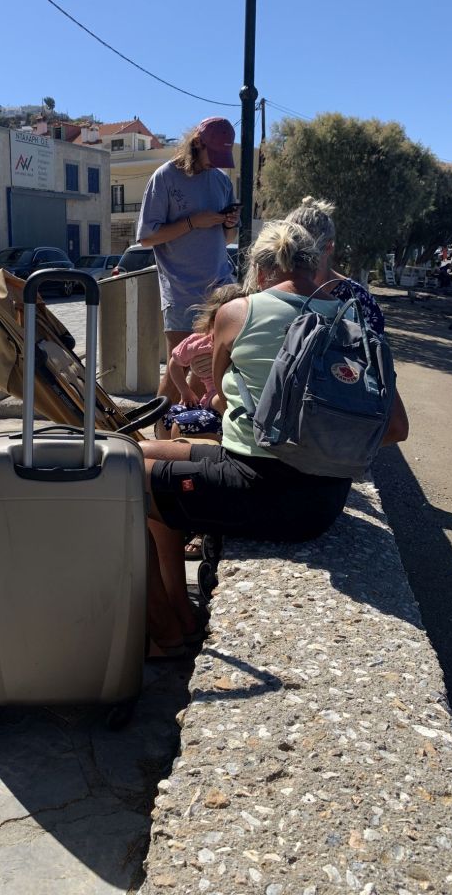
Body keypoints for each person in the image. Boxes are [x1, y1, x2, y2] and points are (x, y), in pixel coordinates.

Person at [139, 220, 410, 657]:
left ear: (259, 270)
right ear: (315, 264)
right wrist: (320, 443)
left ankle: (163, 630)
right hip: (323, 499)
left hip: (261, 488)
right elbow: (396, 428)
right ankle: (179, 612)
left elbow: (220, 400)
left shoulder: (236, 313)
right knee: (135, 454)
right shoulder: (353, 320)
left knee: (120, 478)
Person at [136, 117, 241, 434]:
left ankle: (185, 433)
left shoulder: (221, 182)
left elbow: (227, 239)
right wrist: (193, 222)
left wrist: (229, 224)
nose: (215, 164)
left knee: (209, 370)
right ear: (197, 144)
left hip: (219, 292)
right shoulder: (164, 178)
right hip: (181, 292)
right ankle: (154, 438)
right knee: (177, 370)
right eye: (213, 156)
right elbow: (146, 237)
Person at [285, 196, 385, 333]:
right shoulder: (273, 289)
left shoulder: (359, 302)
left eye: (308, 256)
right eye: (288, 253)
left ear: (329, 247)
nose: (296, 265)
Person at [161, 283, 243, 441]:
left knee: (221, 398)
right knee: (167, 414)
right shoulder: (200, 342)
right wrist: (185, 391)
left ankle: (239, 431)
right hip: (213, 396)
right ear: (213, 320)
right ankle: (166, 446)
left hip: (235, 396)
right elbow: (175, 363)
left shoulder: (243, 341)